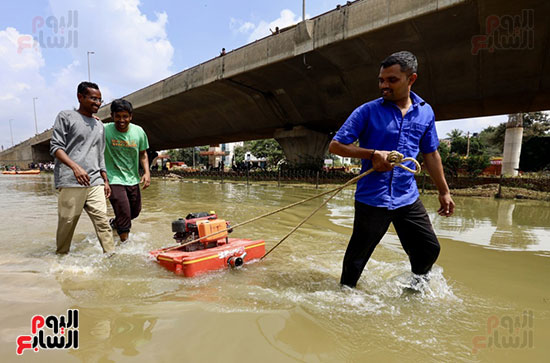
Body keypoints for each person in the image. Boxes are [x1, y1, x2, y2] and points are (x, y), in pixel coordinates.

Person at [329, 51, 455, 288]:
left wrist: (444, 191)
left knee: (429, 248)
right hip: (372, 198)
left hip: (407, 197)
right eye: (381, 80)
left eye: (392, 80)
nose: (384, 86)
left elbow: (430, 153)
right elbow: (336, 146)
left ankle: (414, 291)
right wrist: (372, 154)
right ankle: (345, 296)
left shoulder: (425, 112)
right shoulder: (367, 111)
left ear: (411, 79)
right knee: (358, 257)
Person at [50, 81, 115, 255]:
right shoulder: (66, 116)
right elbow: (56, 147)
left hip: (95, 181)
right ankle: (61, 260)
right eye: (93, 98)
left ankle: (112, 257)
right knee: (67, 224)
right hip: (71, 180)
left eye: (100, 99)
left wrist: (105, 179)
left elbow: (100, 153)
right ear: (80, 97)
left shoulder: (99, 124)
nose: (98, 103)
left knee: (103, 221)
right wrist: (75, 167)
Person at [104, 99, 150, 242]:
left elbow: (143, 154)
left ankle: (115, 224)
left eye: (125, 116)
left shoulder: (138, 131)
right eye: (118, 116)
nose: (121, 120)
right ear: (112, 116)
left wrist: (147, 172)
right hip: (113, 178)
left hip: (132, 178)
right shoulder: (104, 130)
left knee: (134, 212)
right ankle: (125, 245)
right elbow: (89, 127)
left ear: (131, 116)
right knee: (124, 212)